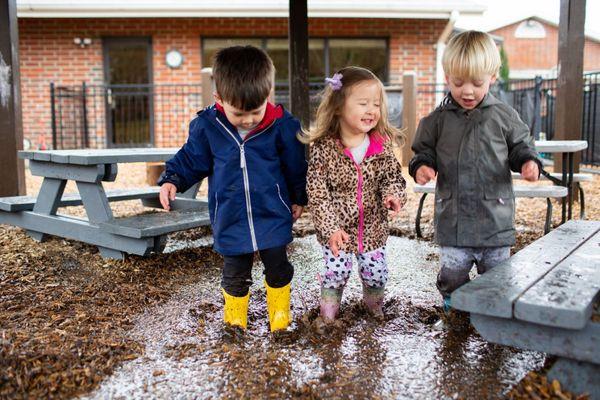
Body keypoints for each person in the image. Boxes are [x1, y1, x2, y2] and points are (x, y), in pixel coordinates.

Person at [158, 45, 307, 332]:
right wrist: (171, 178)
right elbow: (192, 158)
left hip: (272, 212)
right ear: (219, 99)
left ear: (268, 96)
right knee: (235, 272)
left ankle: (280, 318)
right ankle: (235, 322)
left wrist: (298, 196)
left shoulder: (282, 126)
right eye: (239, 113)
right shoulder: (208, 127)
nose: (249, 119)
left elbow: (295, 165)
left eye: (256, 111)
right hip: (231, 214)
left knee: (278, 266)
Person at [409, 31, 541, 313]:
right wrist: (422, 166)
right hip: (454, 218)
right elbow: (423, 150)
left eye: (476, 83)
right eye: (458, 83)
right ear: (447, 77)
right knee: (453, 273)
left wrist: (528, 162)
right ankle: (453, 308)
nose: (467, 91)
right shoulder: (437, 120)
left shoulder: (504, 116)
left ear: (493, 77)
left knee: (497, 276)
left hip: (495, 217)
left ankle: (493, 314)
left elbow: (520, 146)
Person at [301, 66, 407, 322]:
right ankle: (328, 317)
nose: (371, 110)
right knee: (336, 272)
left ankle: (373, 309)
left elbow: (393, 178)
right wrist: (330, 230)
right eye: (363, 103)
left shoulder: (380, 146)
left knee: (376, 273)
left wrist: (393, 195)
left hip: (372, 229)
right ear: (338, 106)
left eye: (376, 104)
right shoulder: (325, 148)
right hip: (338, 231)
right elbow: (317, 193)